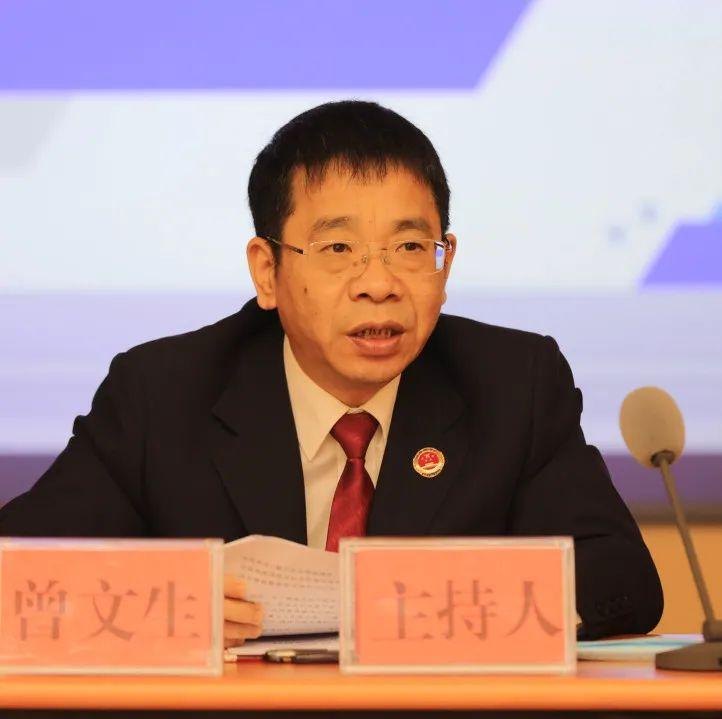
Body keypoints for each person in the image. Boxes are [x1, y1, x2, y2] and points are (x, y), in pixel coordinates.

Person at [0, 101, 663, 646]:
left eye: (410, 247)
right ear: (267, 271)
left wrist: (415, 608)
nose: (378, 283)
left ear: (445, 262)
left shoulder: (514, 384)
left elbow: (622, 581)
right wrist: (164, 604)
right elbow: (16, 574)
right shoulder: (163, 392)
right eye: (339, 247)